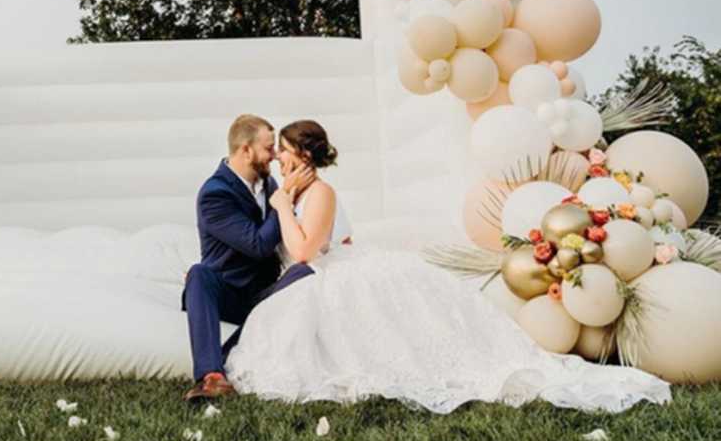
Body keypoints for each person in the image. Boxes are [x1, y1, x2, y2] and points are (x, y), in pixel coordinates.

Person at [224, 119, 672, 414]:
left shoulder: (316, 192)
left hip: (323, 271)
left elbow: (303, 252)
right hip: (317, 271)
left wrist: (282, 205)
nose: (277, 159)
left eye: (281, 150)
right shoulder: (297, 193)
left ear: (301, 156)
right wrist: (285, 202)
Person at [181, 114, 316, 402]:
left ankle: (225, 357)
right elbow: (257, 244)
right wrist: (286, 197)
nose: (275, 156)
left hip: (265, 292)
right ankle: (210, 375)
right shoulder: (214, 194)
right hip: (230, 292)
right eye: (268, 149)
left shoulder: (268, 185)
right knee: (198, 274)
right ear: (246, 150)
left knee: (308, 272)